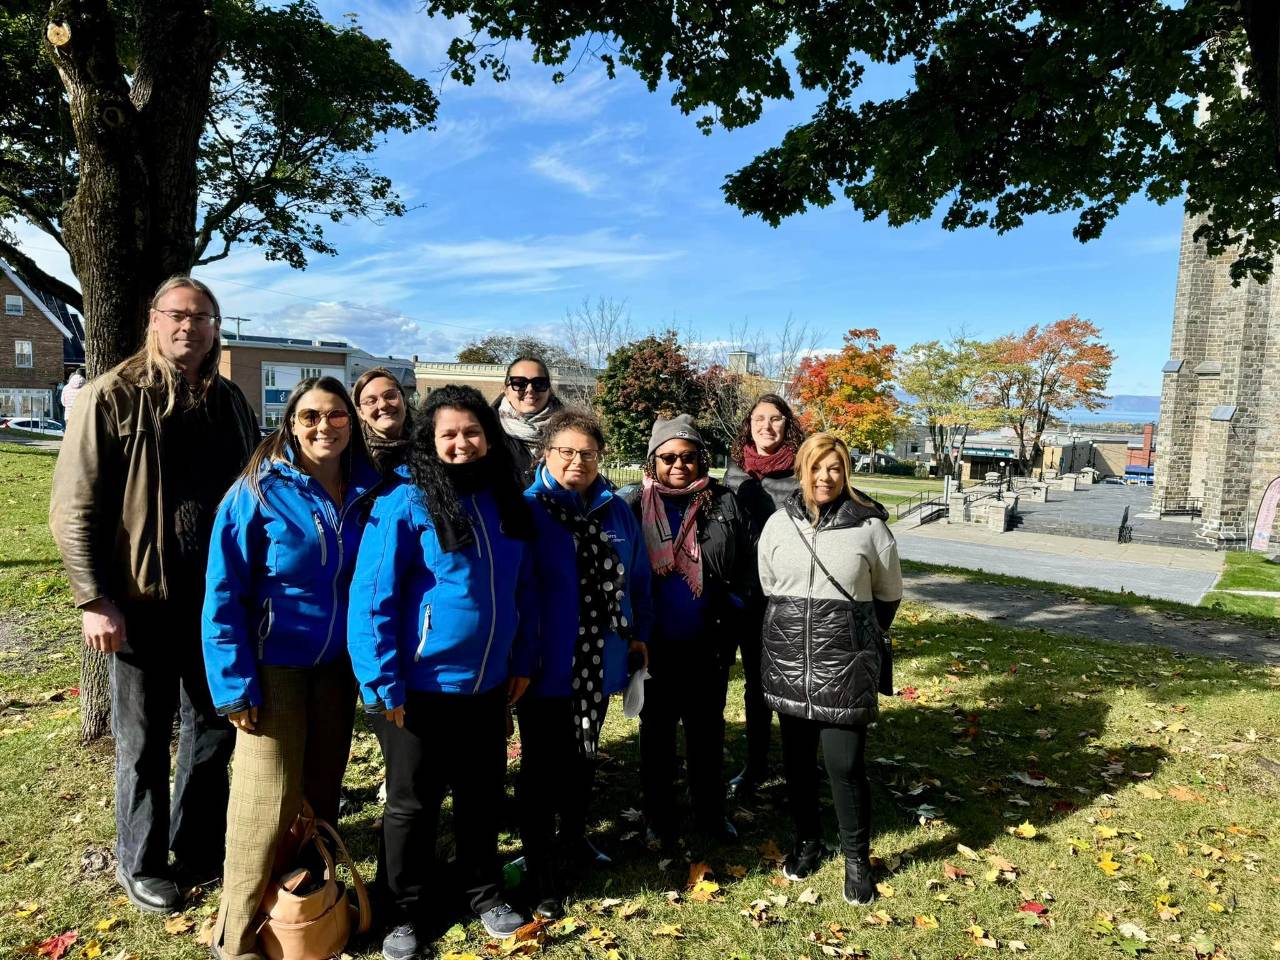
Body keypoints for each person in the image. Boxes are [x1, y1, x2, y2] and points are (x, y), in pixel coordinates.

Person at [48, 276, 258, 913]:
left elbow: (251, 489)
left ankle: (195, 848)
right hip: (140, 601)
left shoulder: (229, 401)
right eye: (176, 315)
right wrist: (94, 600)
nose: (189, 327)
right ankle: (141, 862)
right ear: (153, 320)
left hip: (216, 603)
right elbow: (72, 505)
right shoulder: (113, 396)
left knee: (213, 732)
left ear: (216, 327)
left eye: (202, 317)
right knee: (142, 742)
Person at [347, 385, 537, 960]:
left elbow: (522, 589)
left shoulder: (507, 499)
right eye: (448, 434)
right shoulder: (403, 501)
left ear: (488, 435)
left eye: (472, 432)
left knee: (481, 793)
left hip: (488, 685)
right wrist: (382, 684)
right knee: (413, 803)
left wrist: (521, 659)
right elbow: (372, 595)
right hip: (418, 688)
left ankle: (481, 891)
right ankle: (402, 909)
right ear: (430, 439)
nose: (461, 443)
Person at [202, 376, 380, 960]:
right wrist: (233, 684)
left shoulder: (369, 491)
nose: (323, 427)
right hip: (272, 665)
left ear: (351, 424)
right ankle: (236, 934)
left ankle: (307, 906)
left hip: (337, 668)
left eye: (335, 416)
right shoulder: (258, 490)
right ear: (291, 423)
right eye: (310, 417)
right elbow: (223, 592)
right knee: (264, 799)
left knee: (321, 793)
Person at [517, 409, 653, 921]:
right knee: (542, 765)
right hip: (545, 663)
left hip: (599, 660)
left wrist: (641, 635)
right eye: (566, 451)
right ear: (546, 454)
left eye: (588, 453)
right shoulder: (528, 510)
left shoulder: (616, 511)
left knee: (582, 756)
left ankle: (574, 839)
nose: (577, 460)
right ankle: (541, 865)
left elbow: (637, 579)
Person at [757, 432, 902, 906]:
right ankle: (807, 841)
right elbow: (769, 583)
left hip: (845, 663)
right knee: (797, 763)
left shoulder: (871, 527)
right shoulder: (778, 524)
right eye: (817, 467)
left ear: (846, 472)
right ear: (802, 470)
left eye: (835, 467)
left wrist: (853, 637)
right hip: (788, 658)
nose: (825, 476)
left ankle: (857, 859)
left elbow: (888, 594)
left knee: (844, 764)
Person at [621, 414, 749, 852]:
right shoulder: (633, 504)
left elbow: (744, 567)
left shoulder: (724, 503)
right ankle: (658, 817)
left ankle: (711, 815)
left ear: (701, 459)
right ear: (653, 460)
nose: (679, 465)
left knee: (706, 736)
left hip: (706, 642)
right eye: (669, 457)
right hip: (653, 645)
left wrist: (732, 611)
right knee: (655, 737)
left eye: (689, 457)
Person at [721, 394, 807, 798]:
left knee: (764, 684)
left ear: (788, 424)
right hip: (732, 592)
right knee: (725, 682)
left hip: (778, 594)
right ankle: (732, 761)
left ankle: (765, 764)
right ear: (749, 423)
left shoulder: (802, 470)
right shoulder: (734, 467)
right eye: (759, 419)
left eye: (775, 419)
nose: (766, 426)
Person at [493, 356, 563, 483]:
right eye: (519, 383)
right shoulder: (486, 430)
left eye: (539, 383)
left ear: (549, 389)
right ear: (506, 390)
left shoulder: (570, 429)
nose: (529, 390)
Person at [354, 367, 413, 476]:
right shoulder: (352, 459)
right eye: (371, 401)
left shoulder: (433, 448)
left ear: (404, 402)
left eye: (390, 396)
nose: (383, 405)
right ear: (361, 412)